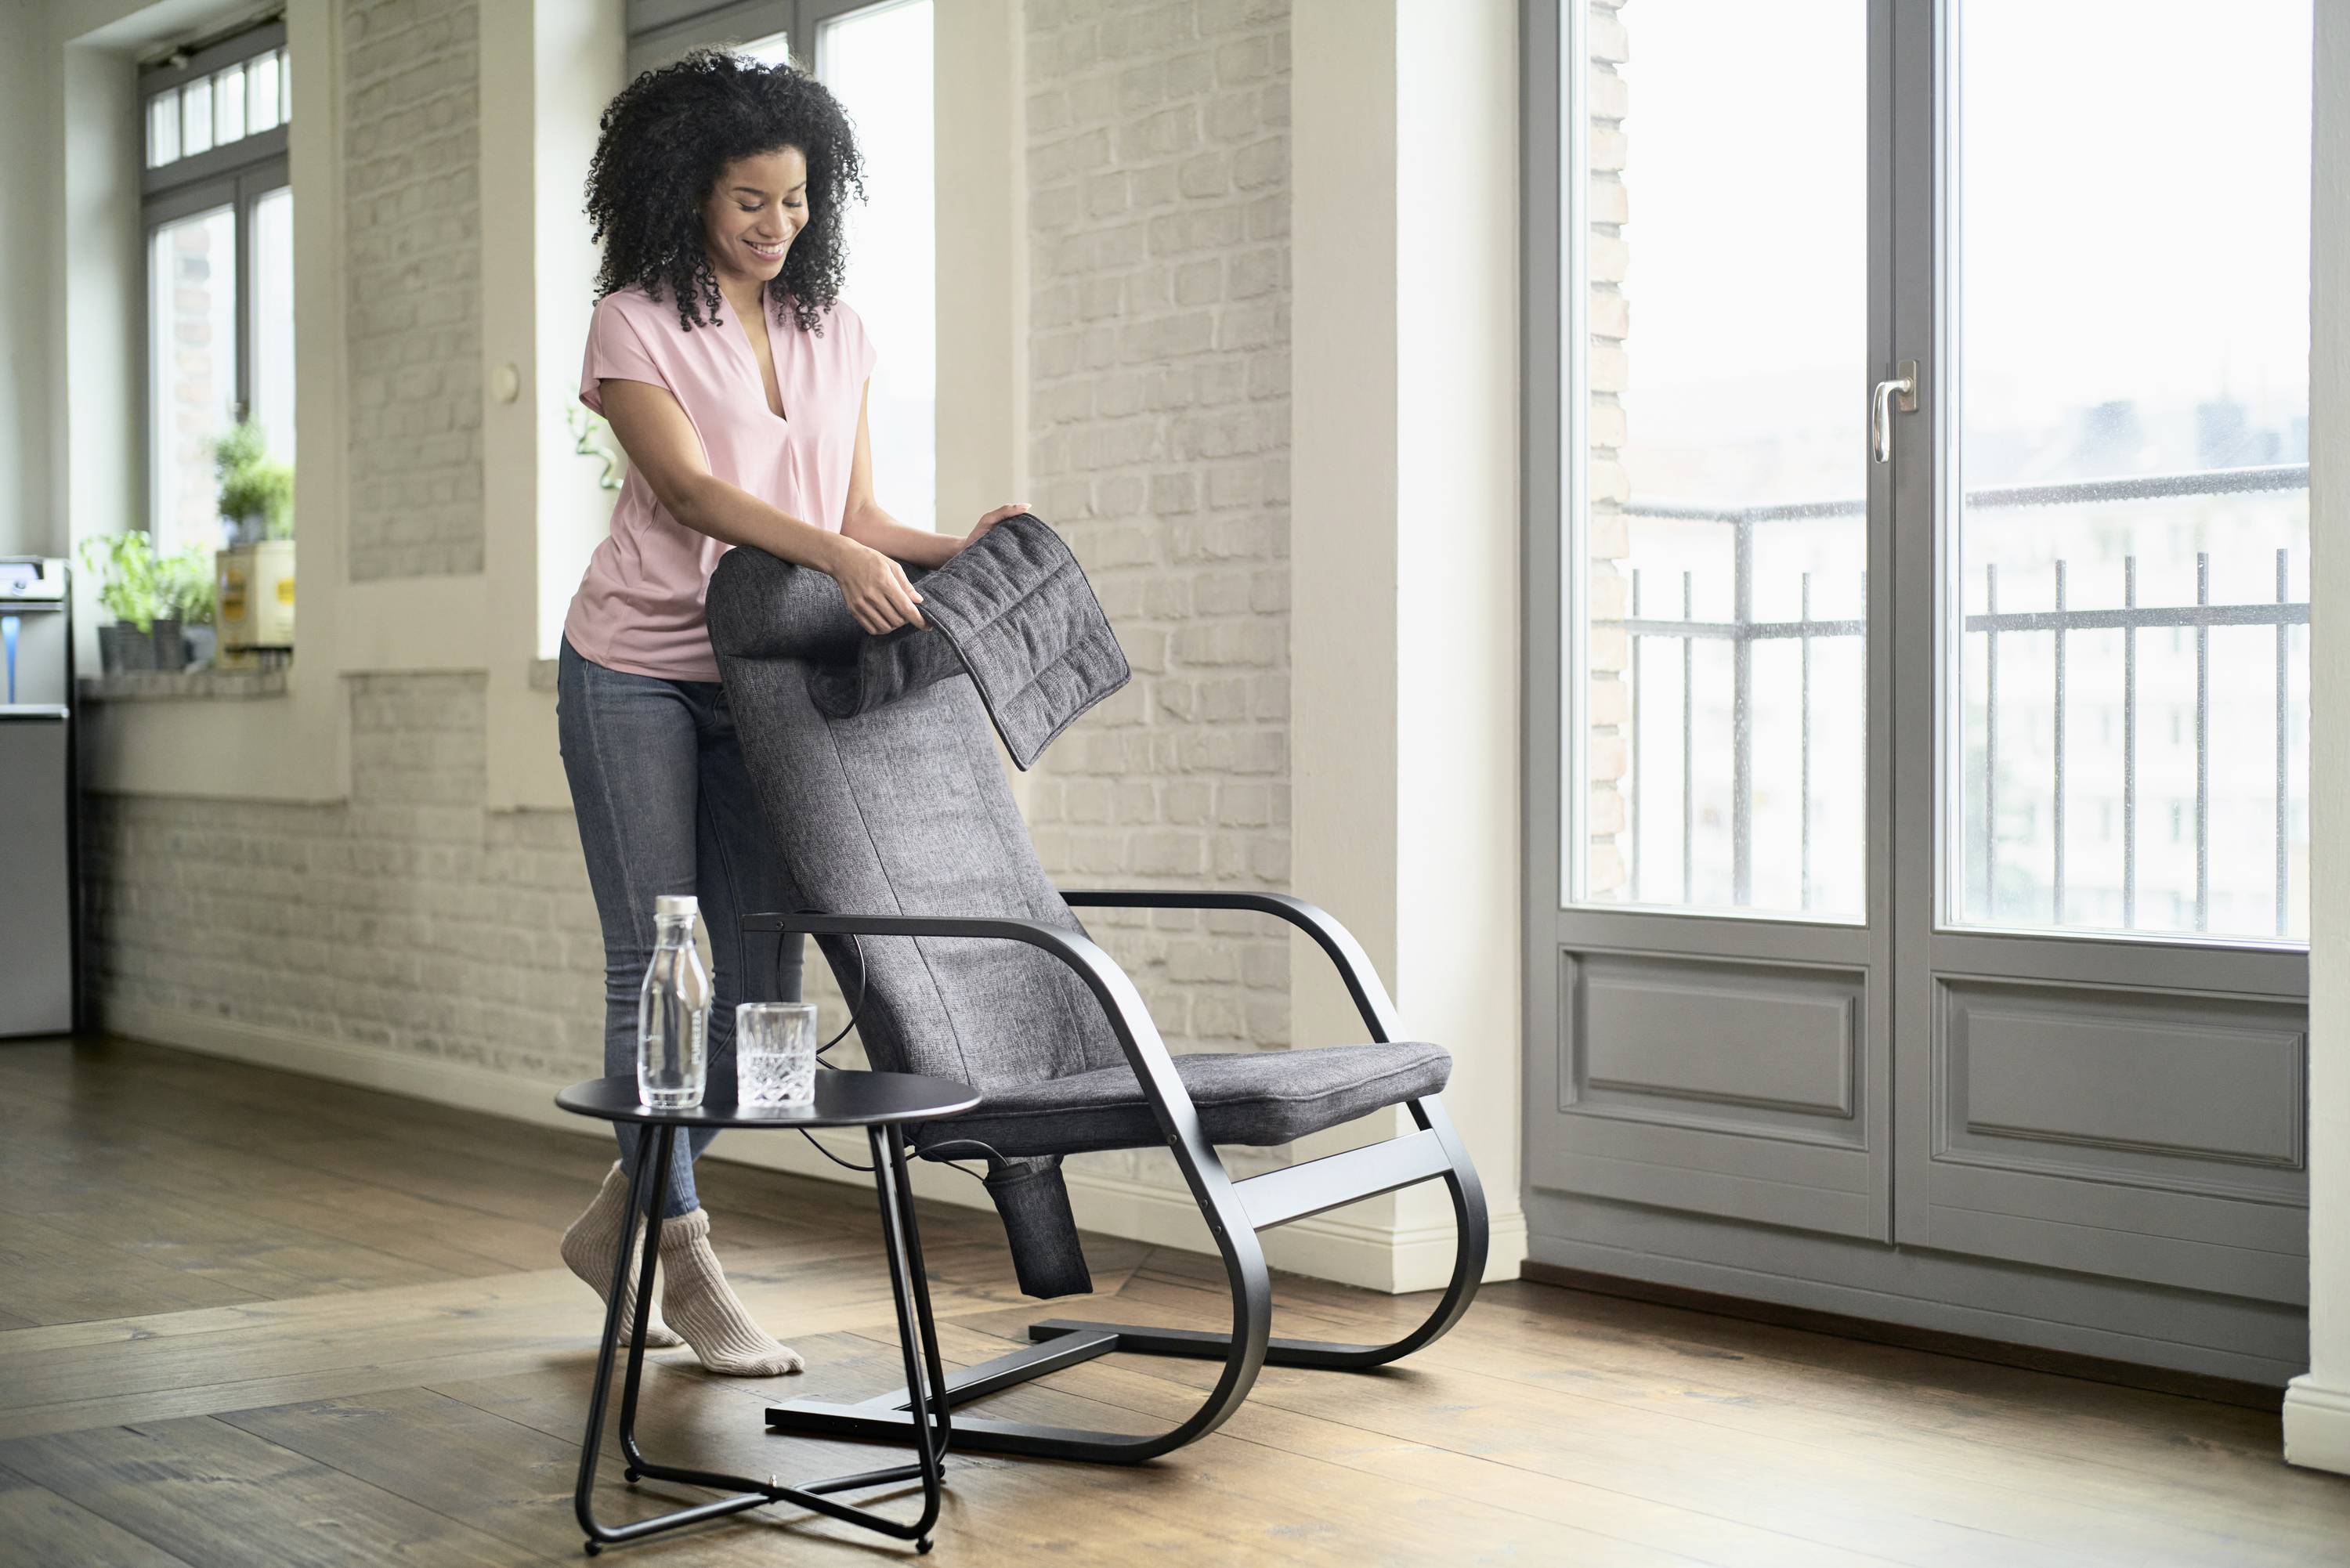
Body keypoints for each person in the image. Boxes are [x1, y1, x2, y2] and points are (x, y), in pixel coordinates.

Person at [553, 48, 1027, 1375]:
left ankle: (621, 1217)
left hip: (762, 682)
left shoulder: (839, 332)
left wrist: (955, 542)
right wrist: (840, 559)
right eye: (751, 201)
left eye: (799, 202)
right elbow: (697, 497)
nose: (778, 227)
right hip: (636, 666)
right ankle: (688, 1258)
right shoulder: (633, 324)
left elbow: (858, 517)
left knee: (759, 972)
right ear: (690, 192)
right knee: (657, 963)